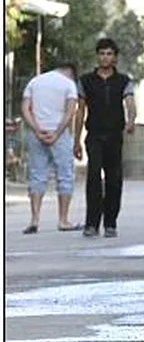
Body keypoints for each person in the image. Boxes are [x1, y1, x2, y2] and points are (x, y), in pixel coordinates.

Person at [73, 38, 137, 238]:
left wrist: (131, 121)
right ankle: (92, 224)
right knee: (93, 177)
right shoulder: (86, 81)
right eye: (101, 53)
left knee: (114, 180)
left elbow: (130, 102)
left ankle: (110, 223)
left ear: (115, 57)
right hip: (94, 135)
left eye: (109, 54)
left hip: (114, 136)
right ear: (97, 56)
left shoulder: (123, 81)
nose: (105, 57)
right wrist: (76, 140)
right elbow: (80, 111)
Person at [20, 62, 81, 233]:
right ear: (71, 73)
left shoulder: (34, 82)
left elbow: (25, 109)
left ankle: (34, 220)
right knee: (65, 176)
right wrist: (57, 133)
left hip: (36, 134)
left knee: (36, 176)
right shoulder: (69, 84)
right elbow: (70, 112)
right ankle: (63, 220)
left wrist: (36, 129)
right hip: (59, 135)